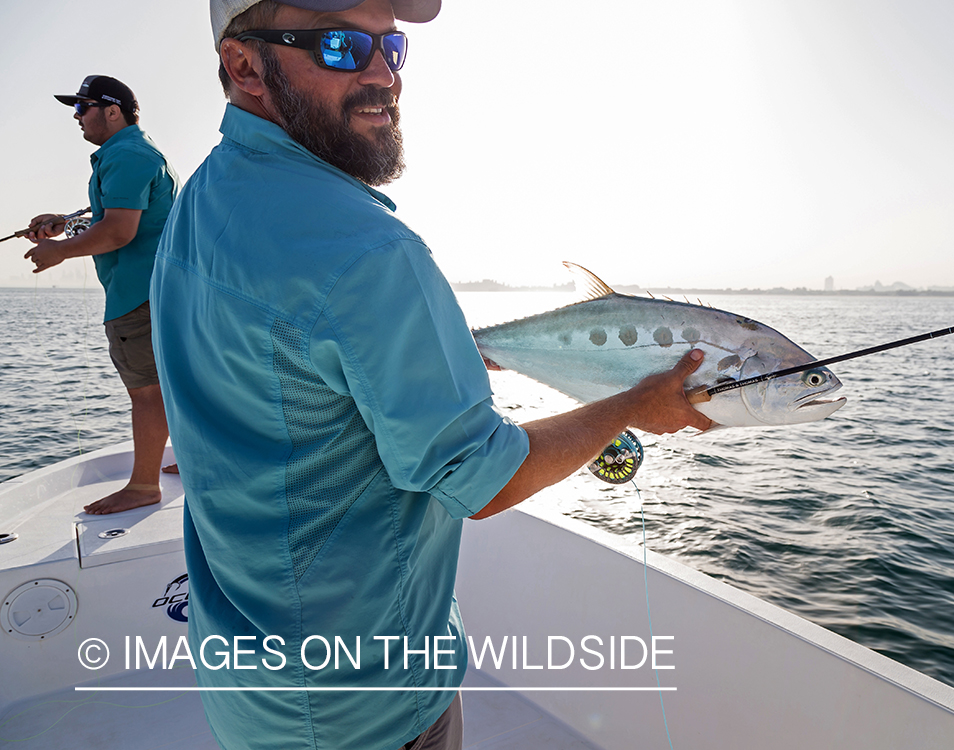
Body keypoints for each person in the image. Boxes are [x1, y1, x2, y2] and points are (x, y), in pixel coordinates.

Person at [149, 1, 712, 749]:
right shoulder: (369, 252)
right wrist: (634, 404)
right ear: (244, 65)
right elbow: (483, 481)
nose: (383, 73)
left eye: (392, 45)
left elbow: (285, 369)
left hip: (250, 688)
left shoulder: (203, 198)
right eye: (342, 45)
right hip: (366, 708)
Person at [25, 75, 180, 515]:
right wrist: (66, 223)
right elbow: (122, 213)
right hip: (159, 292)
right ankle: (188, 460)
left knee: (147, 394)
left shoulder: (127, 154)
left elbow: (118, 230)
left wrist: (58, 251)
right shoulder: (136, 151)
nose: (77, 117)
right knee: (171, 386)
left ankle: (144, 485)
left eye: (82, 107)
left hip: (137, 296)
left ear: (112, 111)